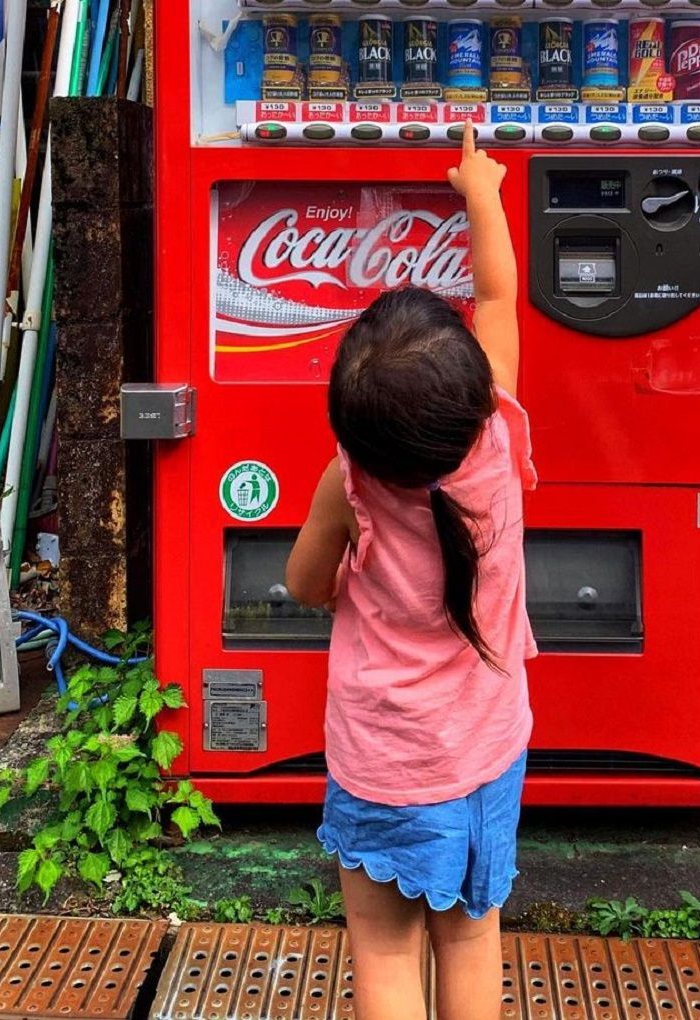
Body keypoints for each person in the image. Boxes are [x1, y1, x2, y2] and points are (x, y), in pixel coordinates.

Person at [286, 121, 536, 1020]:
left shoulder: (347, 482)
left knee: (385, 954)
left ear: (350, 430)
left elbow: (306, 584)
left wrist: (334, 496)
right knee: (471, 937)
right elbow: (500, 299)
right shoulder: (499, 438)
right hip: (486, 748)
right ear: (477, 392)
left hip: (385, 762)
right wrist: (481, 191)